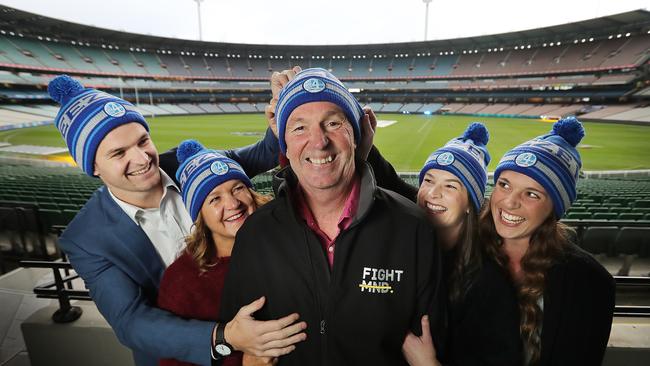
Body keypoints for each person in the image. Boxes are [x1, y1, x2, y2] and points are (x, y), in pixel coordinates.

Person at [48, 75, 304, 366]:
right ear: (93, 166)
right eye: (119, 153)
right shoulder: (86, 238)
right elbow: (131, 322)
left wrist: (281, 117)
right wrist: (225, 337)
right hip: (187, 355)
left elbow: (259, 155)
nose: (142, 158)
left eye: (143, 141)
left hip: (268, 329)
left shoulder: (191, 166)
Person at [219, 68, 446, 365]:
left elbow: (438, 346)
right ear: (284, 145)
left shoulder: (414, 230)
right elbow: (234, 347)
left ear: (357, 136)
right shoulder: (255, 234)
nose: (318, 141)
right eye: (299, 127)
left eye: (334, 123)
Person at [157, 140, 306, 366]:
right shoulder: (181, 279)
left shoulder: (286, 241)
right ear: (200, 215)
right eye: (215, 199)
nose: (233, 203)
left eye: (238, 188)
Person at [481, 117, 615, 365]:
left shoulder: (589, 283)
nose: (509, 202)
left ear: (554, 207)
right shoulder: (467, 248)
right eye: (504, 184)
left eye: (531, 193)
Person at [401, 123, 522, 366]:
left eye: (450, 186)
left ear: (470, 203)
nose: (432, 194)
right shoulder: (400, 250)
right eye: (428, 180)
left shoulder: (489, 282)